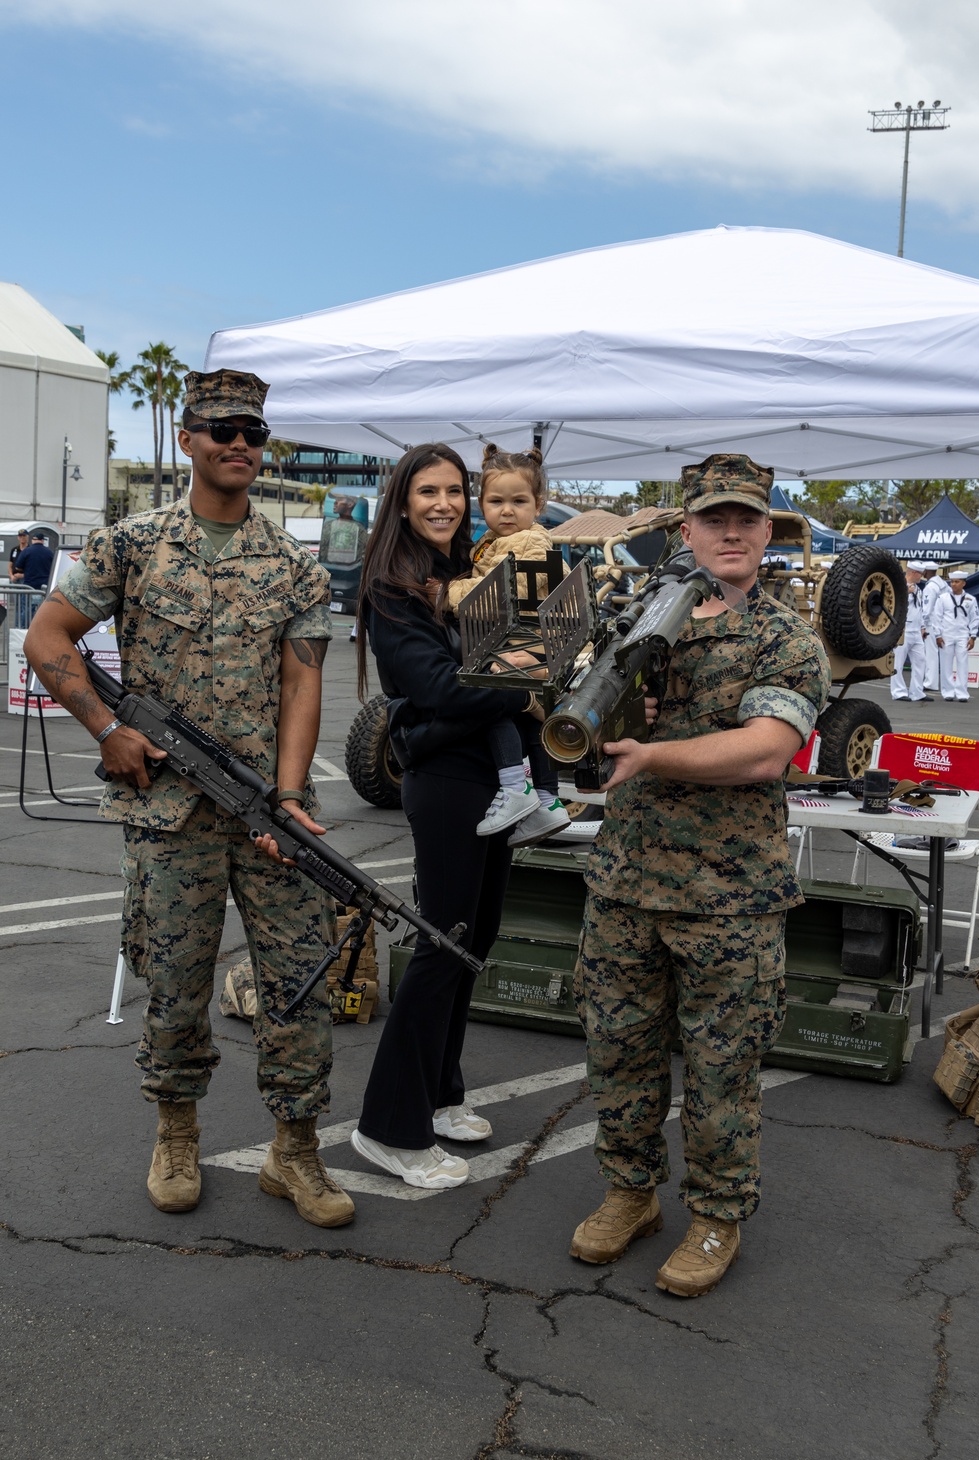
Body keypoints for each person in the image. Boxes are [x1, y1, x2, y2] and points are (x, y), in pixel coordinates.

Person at [24, 368, 354, 1229]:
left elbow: (302, 685)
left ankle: (296, 1149)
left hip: (265, 810)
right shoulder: (129, 546)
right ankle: (176, 1133)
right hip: (167, 813)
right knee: (173, 984)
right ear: (188, 439)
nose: (240, 444)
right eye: (222, 429)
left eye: (253, 432)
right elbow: (47, 636)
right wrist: (106, 729)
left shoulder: (292, 565)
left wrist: (287, 796)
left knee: (298, 982)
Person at [570, 453, 830, 1298]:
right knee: (619, 1053)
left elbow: (763, 752)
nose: (729, 532)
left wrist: (650, 754)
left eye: (745, 519)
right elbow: (574, 730)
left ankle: (717, 1215)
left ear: (767, 533)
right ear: (685, 531)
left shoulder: (783, 638)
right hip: (623, 884)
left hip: (727, 899)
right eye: (713, 518)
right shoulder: (643, 620)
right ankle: (630, 1191)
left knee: (722, 1069)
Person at [350, 442, 540, 1189]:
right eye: (427, 490)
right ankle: (388, 1127)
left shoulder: (465, 574)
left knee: (476, 938)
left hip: (481, 774)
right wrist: (524, 685)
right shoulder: (393, 588)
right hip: (447, 786)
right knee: (445, 943)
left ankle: (439, 1094)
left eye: (456, 490)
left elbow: (455, 695)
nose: (445, 503)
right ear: (402, 500)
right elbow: (437, 688)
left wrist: (492, 688)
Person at [447, 444, 570, 847]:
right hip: (531, 645)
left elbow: (508, 588)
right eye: (496, 501)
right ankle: (548, 800)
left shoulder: (530, 542)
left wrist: (450, 592)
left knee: (494, 705)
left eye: (519, 501)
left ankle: (515, 786)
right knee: (531, 720)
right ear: (481, 503)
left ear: (539, 504)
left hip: (521, 642)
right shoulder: (495, 541)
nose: (507, 511)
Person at [932, 571, 979, 702]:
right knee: (946, 663)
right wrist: (938, 635)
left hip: (962, 634)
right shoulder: (943, 598)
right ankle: (948, 691)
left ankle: (962, 692)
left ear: (963, 583)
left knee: (962, 664)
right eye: (952, 582)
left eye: (957, 582)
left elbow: (974, 618)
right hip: (946, 633)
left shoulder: (970, 599)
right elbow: (937, 617)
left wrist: (973, 636)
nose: (954, 584)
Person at [890, 563, 928, 703]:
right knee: (898, 662)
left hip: (916, 630)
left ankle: (917, 692)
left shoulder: (918, 590)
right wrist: (906, 593)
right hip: (903, 629)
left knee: (920, 660)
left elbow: (920, 610)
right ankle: (898, 692)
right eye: (920, 573)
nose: (922, 576)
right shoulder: (899, 587)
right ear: (912, 572)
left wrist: (923, 627)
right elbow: (893, 604)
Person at [921, 563, 947, 692]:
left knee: (930, 654)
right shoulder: (943, 584)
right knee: (941, 654)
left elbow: (927, 609)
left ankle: (930, 682)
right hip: (943, 623)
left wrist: (923, 626)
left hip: (931, 624)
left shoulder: (930, 587)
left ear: (926, 571)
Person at [19, 532, 55, 618]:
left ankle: (25, 628)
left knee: (27, 610)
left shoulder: (27, 551)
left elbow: (18, 567)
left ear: (33, 540)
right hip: (44, 587)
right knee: (43, 610)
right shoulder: (49, 552)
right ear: (42, 540)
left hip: (29, 586)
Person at [7, 528, 31, 627]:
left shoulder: (30, 550)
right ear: (18, 537)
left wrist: (23, 575)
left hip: (25, 580)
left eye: (24, 536)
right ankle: (17, 625)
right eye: (20, 536)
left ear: (27, 537)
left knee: (24, 604)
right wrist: (11, 575)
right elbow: (10, 564)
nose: (22, 538)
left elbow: (32, 567)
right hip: (15, 580)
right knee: (16, 604)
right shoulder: (14, 550)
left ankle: (24, 626)